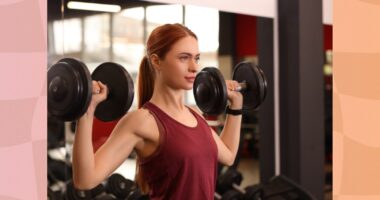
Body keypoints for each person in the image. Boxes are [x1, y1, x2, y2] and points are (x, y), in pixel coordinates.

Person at [72, 23, 243, 200]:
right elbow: (85, 180)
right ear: (156, 61)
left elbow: (228, 155)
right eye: (184, 58)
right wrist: (86, 111)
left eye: (196, 58)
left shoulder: (195, 115)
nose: (194, 67)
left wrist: (236, 105)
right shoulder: (142, 121)